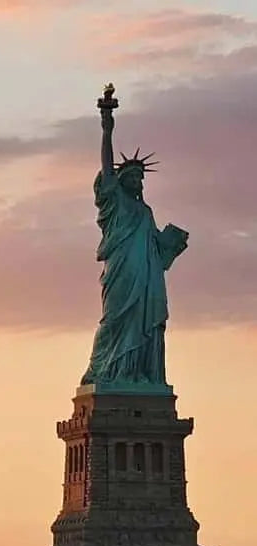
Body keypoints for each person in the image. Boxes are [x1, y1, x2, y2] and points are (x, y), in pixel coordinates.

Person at [81, 84, 188, 389]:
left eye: (141, 177)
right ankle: (105, 370)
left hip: (147, 276)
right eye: (134, 176)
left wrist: (171, 244)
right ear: (122, 180)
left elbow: (157, 249)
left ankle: (140, 374)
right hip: (122, 272)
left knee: (145, 323)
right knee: (114, 320)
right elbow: (106, 167)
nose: (139, 181)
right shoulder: (115, 202)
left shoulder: (145, 212)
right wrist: (106, 127)